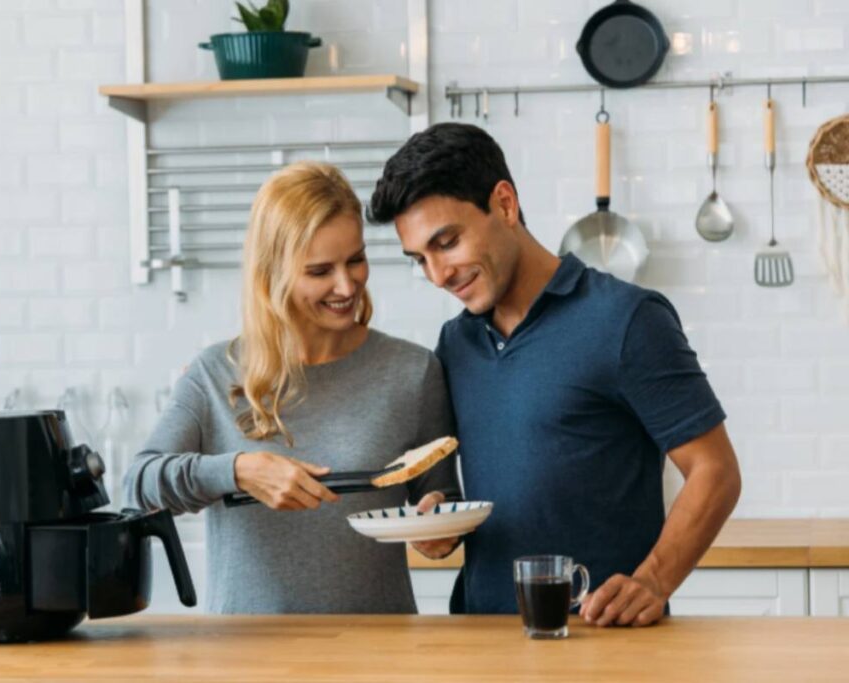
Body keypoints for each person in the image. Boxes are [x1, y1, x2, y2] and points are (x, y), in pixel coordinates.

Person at [367, 123, 742, 626]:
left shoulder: (627, 320)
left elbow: (715, 471)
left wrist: (654, 580)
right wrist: (440, 519)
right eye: (420, 259)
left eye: (448, 242)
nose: (438, 275)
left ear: (504, 204)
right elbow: (472, 488)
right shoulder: (456, 343)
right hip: (480, 637)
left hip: (601, 637)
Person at [124, 161, 460, 614]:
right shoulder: (213, 374)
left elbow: (441, 498)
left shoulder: (413, 372)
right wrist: (236, 471)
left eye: (355, 260)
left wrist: (440, 525)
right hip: (246, 649)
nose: (347, 286)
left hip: (379, 646)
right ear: (273, 273)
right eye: (319, 271)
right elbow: (138, 486)